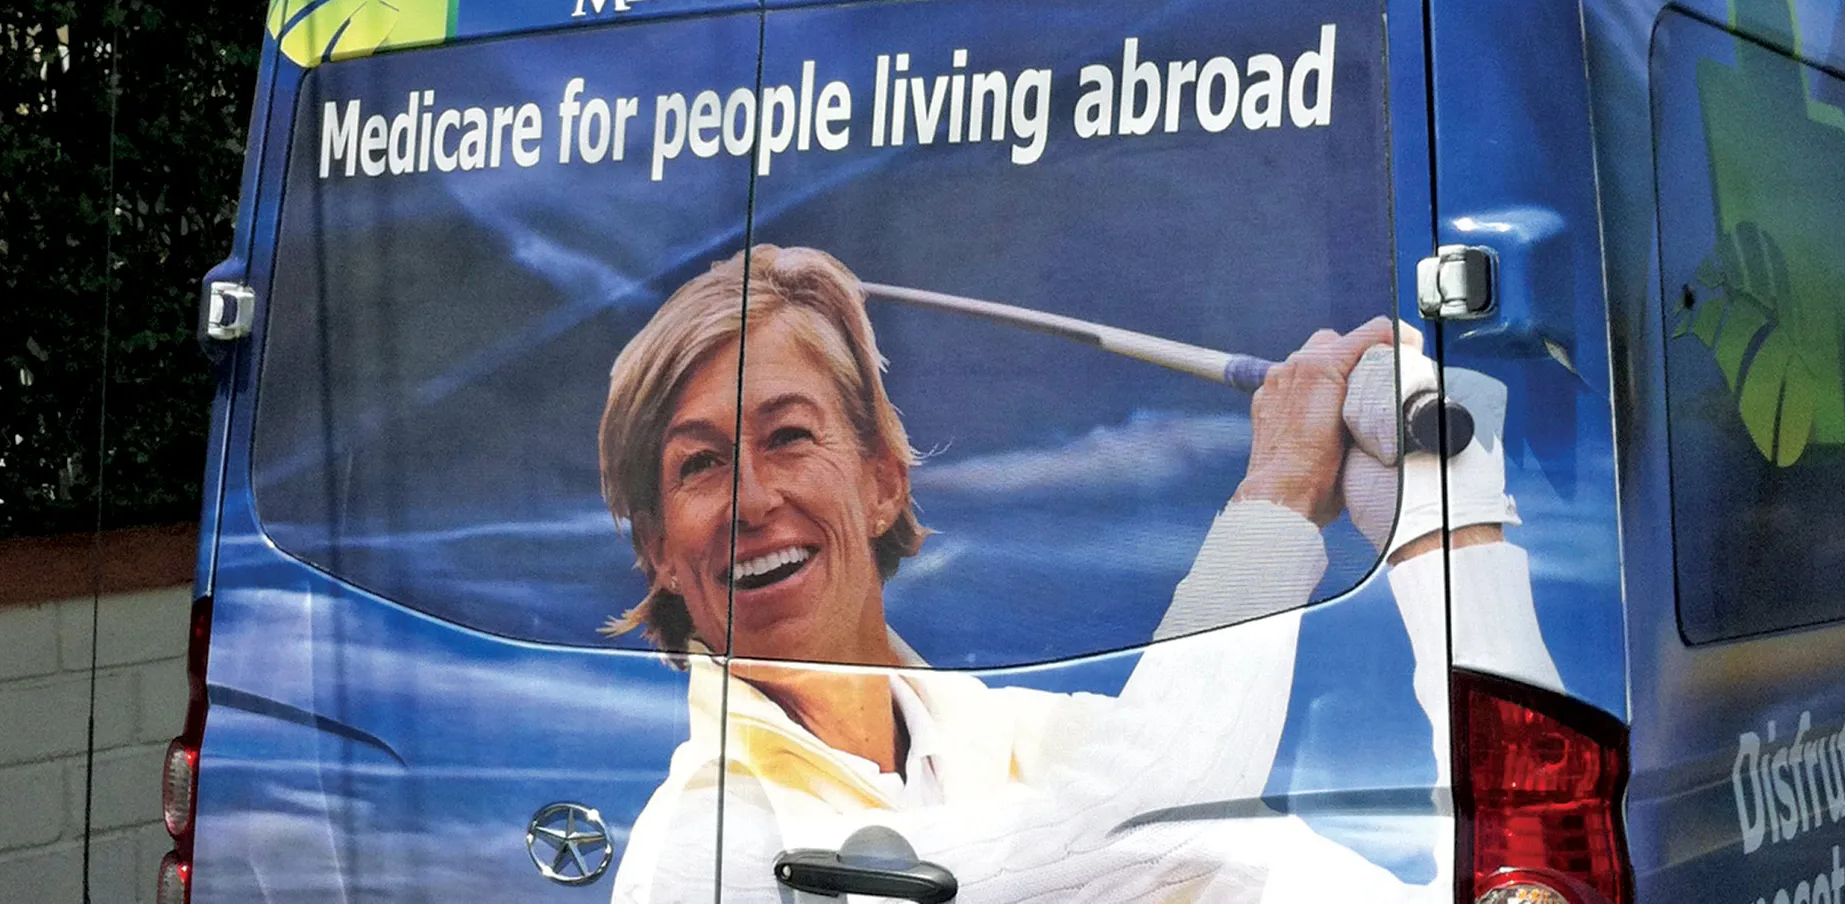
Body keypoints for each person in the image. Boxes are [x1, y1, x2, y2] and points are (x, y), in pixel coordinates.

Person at [597, 245, 1558, 903]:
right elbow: (1137, 824)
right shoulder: (704, 845)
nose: (752, 497)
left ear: (885, 482)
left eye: (788, 436)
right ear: (656, 549)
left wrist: (1452, 534)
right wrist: (1276, 495)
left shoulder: (1037, 746)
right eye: (699, 464)